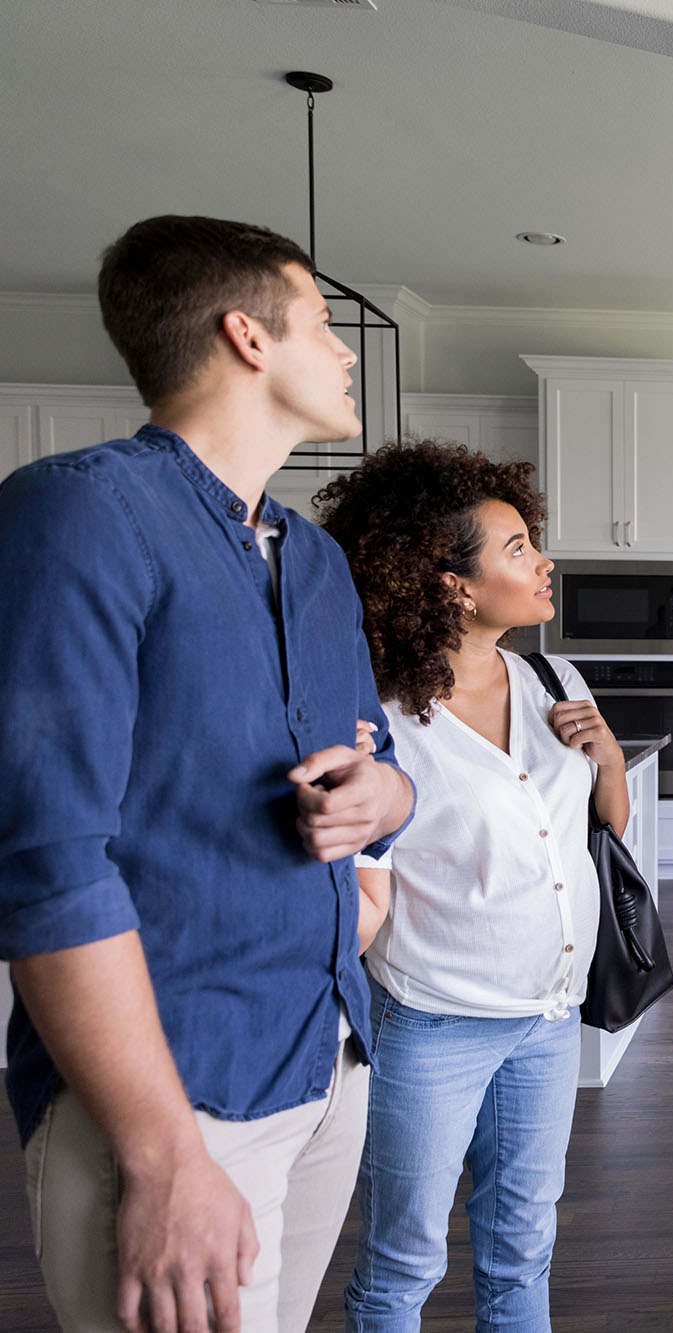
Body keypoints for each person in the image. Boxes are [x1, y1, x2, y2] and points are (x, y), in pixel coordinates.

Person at [0, 215, 416, 1333]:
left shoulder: (316, 558)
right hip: (175, 1096)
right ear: (247, 335)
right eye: (323, 324)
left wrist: (385, 805)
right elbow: (45, 863)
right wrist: (163, 1153)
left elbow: (381, 772)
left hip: (326, 1058)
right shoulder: (78, 511)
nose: (344, 352)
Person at [314, 439, 627, 1332]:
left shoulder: (552, 678)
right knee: (402, 1263)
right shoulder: (379, 711)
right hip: (432, 1024)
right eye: (518, 547)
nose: (545, 559)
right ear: (452, 585)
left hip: (548, 1017)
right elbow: (357, 880)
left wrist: (606, 754)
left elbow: (611, 820)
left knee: (523, 1249)